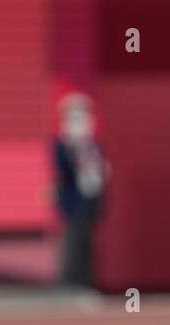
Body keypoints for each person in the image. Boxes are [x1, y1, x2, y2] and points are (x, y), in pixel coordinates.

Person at [53, 92, 109, 287]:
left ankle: (87, 279)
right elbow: (63, 168)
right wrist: (74, 148)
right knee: (73, 240)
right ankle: (71, 280)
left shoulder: (93, 145)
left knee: (87, 241)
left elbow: (100, 168)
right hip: (73, 201)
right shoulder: (63, 145)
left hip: (91, 199)